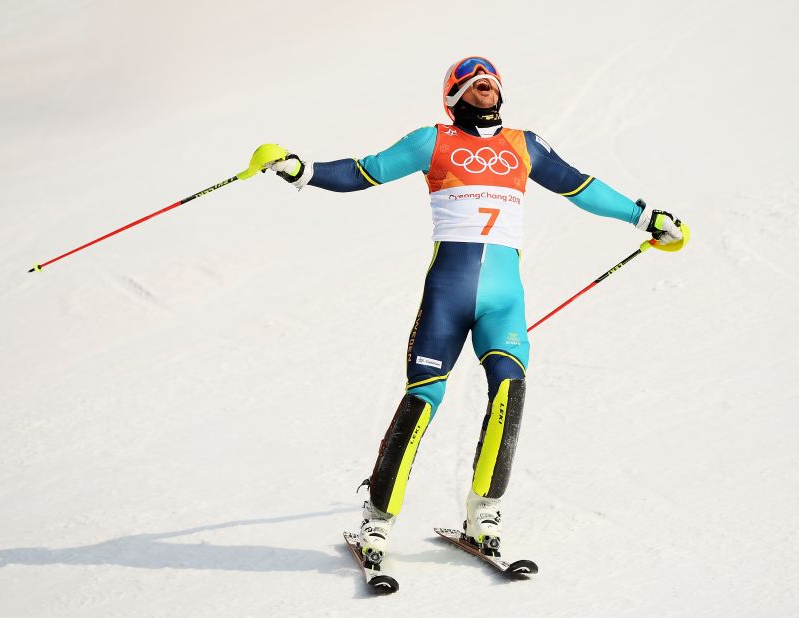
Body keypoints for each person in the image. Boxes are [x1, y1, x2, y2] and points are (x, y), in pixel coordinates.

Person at [266, 56, 683, 565]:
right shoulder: (431, 141)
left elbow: (582, 186)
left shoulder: (524, 145)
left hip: (503, 301)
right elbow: (363, 173)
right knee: (423, 401)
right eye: (472, 81)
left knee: (510, 387)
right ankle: (376, 522)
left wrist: (646, 216)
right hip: (448, 294)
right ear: (453, 96)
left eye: (491, 79)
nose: (485, 83)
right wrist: (299, 169)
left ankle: (483, 514)